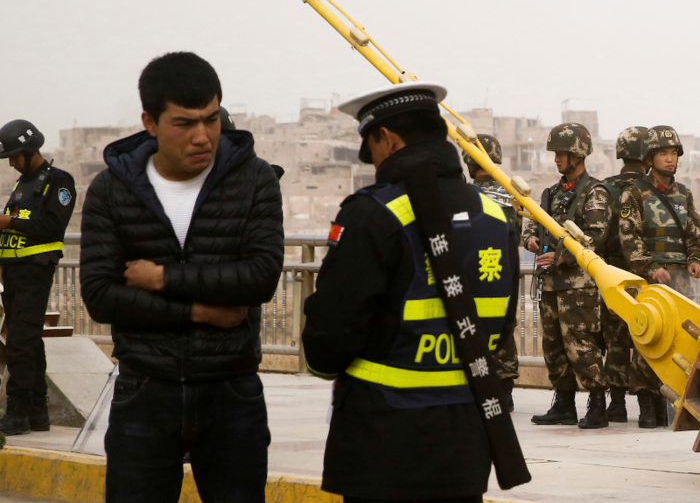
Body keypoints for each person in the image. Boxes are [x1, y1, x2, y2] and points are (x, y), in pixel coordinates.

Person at [302, 82, 521, 503]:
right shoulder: (496, 217)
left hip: (383, 440)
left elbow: (329, 337)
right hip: (466, 441)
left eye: (372, 149)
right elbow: (502, 322)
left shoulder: (373, 213)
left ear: (386, 138)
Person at [79, 52, 284, 502]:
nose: (202, 136)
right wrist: (200, 309)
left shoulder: (254, 180)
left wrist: (161, 278)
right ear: (149, 122)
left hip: (231, 391)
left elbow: (261, 278)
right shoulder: (112, 190)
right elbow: (100, 296)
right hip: (145, 390)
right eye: (184, 123)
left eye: (211, 119)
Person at [523, 123, 611, 429]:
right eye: (556, 153)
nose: (557, 159)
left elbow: (595, 235)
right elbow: (533, 227)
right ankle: (563, 403)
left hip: (579, 287)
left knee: (582, 344)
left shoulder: (595, 192)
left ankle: (597, 403)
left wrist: (561, 257)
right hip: (549, 284)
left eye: (562, 153)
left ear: (578, 154)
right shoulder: (549, 194)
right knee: (554, 346)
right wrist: (532, 241)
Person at [619, 125, 700, 428]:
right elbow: (629, 239)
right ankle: (646, 404)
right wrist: (651, 268)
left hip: (681, 280)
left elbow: (695, 234)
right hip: (651, 279)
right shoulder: (635, 193)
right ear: (650, 157)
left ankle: (677, 400)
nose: (669, 159)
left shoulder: (684, 195)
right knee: (649, 338)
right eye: (663, 153)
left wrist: (694, 259)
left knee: (683, 338)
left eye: (673, 153)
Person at [0, 119, 75, 435]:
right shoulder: (21, 185)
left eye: (15, 157)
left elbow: (52, 227)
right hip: (13, 273)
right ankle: (37, 412)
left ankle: (15, 413)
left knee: (19, 340)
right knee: (29, 341)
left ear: (30, 151)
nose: (12, 164)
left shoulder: (59, 181)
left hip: (35, 271)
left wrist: (8, 223)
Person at [467, 134, 521, 411]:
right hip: (503, 268)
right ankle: (505, 390)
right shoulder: (511, 192)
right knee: (504, 326)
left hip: (472, 270)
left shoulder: (468, 194)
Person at [599, 127, 648, 423]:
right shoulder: (650, 188)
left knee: (615, 339)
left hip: (612, 277)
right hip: (645, 276)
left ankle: (616, 404)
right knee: (647, 338)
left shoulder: (604, 188)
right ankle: (650, 408)